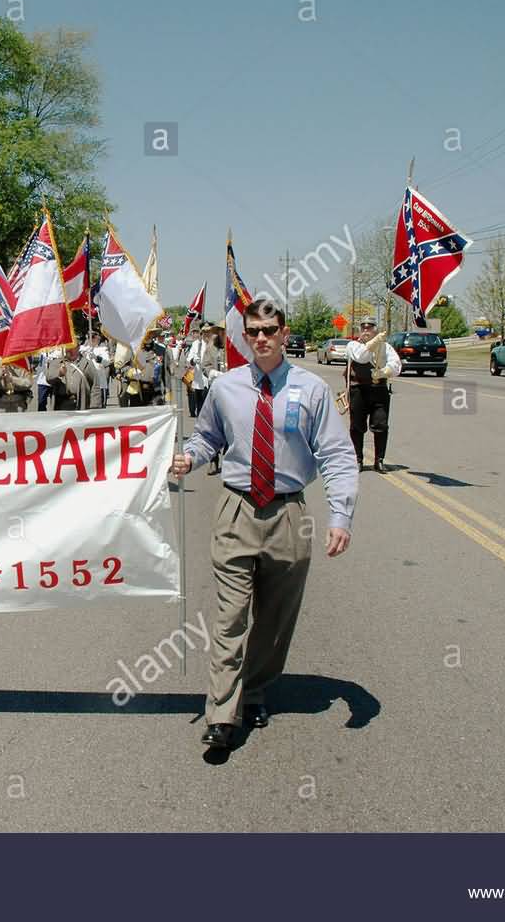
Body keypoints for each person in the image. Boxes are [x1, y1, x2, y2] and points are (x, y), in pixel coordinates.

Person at [170, 299, 357, 750]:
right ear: (245, 334)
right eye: (254, 330)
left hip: (289, 514)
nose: (261, 338)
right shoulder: (226, 387)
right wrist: (190, 457)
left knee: (274, 621)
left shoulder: (310, 389)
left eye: (269, 330)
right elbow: (207, 436)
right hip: (236, 510)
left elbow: (336, 453)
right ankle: (221, 712)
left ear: (284, 333)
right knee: (230, 617)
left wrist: (341, 515)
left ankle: (253, 689)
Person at [344, 316, 403, 473]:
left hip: (379, 390)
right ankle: (357, 460)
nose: (366, 330)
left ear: (375, 329)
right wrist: (375, 342)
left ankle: (379, 460)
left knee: (381, 426)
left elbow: (396, 365)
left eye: (369, 327)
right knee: (357, 427)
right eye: (363, 327)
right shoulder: (353, 345)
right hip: (359, 390)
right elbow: (361, 357)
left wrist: (384, 372)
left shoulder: (385, 347)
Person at [49, 344, 95, 410]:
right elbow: (49, 378)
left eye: (72, 347)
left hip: (81, 404)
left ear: (78, 348)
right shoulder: (57, 363)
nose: (69, 350)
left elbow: (95, 386)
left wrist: (95, 407)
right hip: (61, 405)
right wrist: (59, 373)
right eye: (67, 347)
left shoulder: (88, 364)